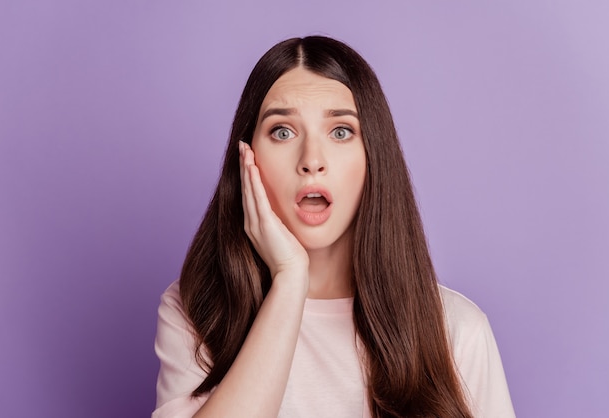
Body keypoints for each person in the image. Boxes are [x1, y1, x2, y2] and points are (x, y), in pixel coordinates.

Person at [152, 36, 516, 418]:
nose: (312, 160)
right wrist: (290, 279)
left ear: (375, 157)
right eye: (282, 131)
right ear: (247, 158)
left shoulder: (456, 331)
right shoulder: (197, 312)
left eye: (341, 131)